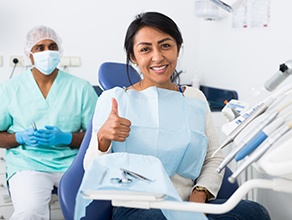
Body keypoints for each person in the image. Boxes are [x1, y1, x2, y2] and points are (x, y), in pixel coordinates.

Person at [82, 12, 271, 220]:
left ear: (178, 48)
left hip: (188, 203)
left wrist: (200, 193)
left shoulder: (195, 98)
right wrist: (103, 139)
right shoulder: (113, 100)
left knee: (255, 213)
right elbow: (91, 169)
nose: (157, 56)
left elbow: (214, 157)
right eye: (145, 49)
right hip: (138, 208)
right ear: (134, 57)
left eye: (165, 45)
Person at [0, 25, 97, 219]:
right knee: (29, 212)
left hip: (73, 163)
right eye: (40, 47)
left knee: (91, 211)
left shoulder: (81, 88)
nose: (47, 52)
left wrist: (68, 138)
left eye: (52, 46)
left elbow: (97, 135)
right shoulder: (10, 89)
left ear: (59, 51)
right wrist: (19, 137)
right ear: (29, 54)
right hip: (28, 163)